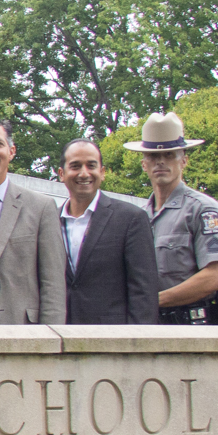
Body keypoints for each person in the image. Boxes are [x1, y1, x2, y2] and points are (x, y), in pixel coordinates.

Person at [127, 111, 218, 326]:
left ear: (184, 161)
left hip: (191, 325)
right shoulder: (138, 216)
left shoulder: (204, 210)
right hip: (150, 325)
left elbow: (213, 278)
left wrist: (152, 302)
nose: (161, 162)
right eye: (153, 156)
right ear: (143, 164)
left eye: (169, 155)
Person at [0, 116, 66, 326]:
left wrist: (50, 338)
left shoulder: (42, 208)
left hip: (21, 329)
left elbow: (53, 283)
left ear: (12, 151)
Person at [57, 139, 159, 325]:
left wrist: (139, 344)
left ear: (102, 173)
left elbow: (144, 292)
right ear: (61, 174)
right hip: (62, 334)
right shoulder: (50, 220)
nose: (84, 173)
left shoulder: (131, 218)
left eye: (91, 165)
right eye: (75, 166)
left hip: (113, 338)